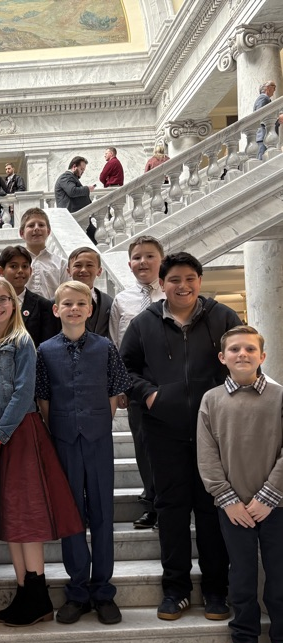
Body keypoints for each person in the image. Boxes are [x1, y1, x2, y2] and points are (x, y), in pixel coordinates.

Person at [120, 251, 242, 621]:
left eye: (190, 278)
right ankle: (175, 589)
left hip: (214, 435)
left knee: (210, 510)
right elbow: (125, 368)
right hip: (163, 432)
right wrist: (151, 394)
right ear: (162, 283)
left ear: (200, 282)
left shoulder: (223, 317)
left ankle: (216, 590)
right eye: (174, 280)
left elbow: (240, 360)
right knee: (171, 512)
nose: (182, 286)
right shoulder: (144, 323)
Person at [0, 279, 82, 627]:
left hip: (18, 434)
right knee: (11, 517)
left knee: (27, 517)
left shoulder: (22, 342)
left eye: (2, 299)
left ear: (13, 303)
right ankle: (24, 592)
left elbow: (24, 393)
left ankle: (38, 596)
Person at [36, 280, 131, 626]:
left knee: (103, 513)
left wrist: (98, 423)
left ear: (90, 310)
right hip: (63, 439)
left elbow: (114, 392)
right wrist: (59, 427)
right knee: (71, 514)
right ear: (56, 309)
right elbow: (43, 397)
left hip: (98, 437)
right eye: (68, 304)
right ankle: (77, 590)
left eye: (81, 304)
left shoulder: (105, 347)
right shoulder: (44, 350)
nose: (74, 309)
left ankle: (102, 590)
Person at [197, 325, 283, 643]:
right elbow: (207, 454)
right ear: (223, 358)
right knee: (243, 578)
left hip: (276, 505)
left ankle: (281, 640)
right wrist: (227, 498)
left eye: (250, 349)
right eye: (234, 349)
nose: (242, 354)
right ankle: (244, 639)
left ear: (263, 356)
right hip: (232, 507)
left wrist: (270, 496)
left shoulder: (279, 397)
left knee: (279, 577)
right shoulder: (212, 400)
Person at [110, 236, 166, 530]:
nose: (142, 262)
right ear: (129, 264)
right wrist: (120, 386)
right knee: (143, 445)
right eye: (137, 257)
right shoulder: (122, 300)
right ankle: (153, 505)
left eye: (149, 256)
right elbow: (116, 345)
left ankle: (174, 502)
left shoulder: (173, 295)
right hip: (135, 383)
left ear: (161, 259)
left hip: (169, 383)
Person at [0, 245, 60, 347]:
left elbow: (49, 344)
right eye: (13, 266)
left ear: (30, 271)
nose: (20, 270)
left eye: (25, 266)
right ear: (1, 271)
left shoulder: (43, 305)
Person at [19, 207, 69, 300]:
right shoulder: (15, 264)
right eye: (31, 225)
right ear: (22, 233)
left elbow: (66, 295)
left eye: (41, 225)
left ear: (48, 231)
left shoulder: (61, 264)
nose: (37, 228)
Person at [66, 248, 113, 338]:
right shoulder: (57, 302)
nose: (83, 270)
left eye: (89, 265)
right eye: (78, 265)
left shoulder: (109, 301)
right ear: (69, 271)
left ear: (99, 271)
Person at [253, 81, 281, 161]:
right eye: (274, 87)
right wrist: (278, 118)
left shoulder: (265, 99)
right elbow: (261, 117)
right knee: (262, 161)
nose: (275, 90)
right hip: (263, 136)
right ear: (267, 88)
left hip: (265, 136)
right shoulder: (263, 98)